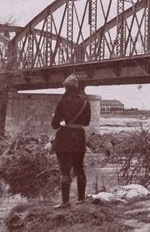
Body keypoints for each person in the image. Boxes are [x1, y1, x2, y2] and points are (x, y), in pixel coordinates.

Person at [51, 74, 91, 209]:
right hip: (79, 138)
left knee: (65, 172)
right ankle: (81, 200)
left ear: (66, 88)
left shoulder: (62, 102)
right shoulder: (85, 102)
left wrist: (63, 121)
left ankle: (65, 202)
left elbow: (55, 125)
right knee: (79, 169)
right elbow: (86, 122)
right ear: (77, 87)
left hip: (64, 139)